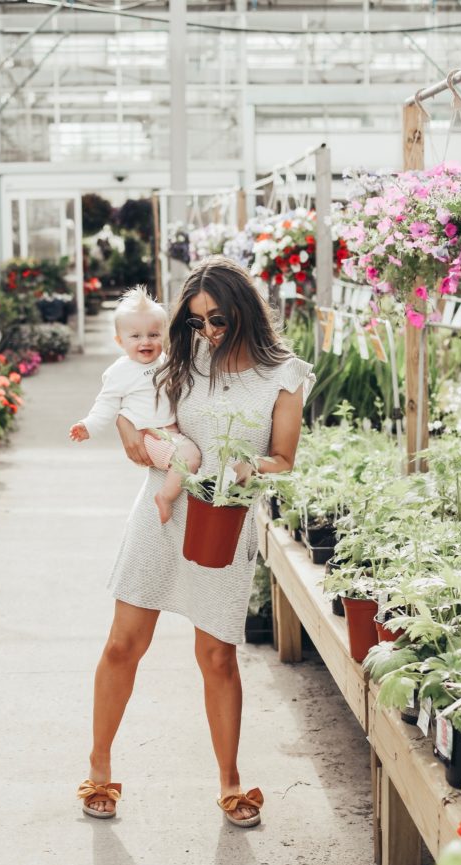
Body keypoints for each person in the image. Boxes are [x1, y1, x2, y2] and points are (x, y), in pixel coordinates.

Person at [77, 256, 314, 827]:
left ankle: (231, 783)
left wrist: (246, 466)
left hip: (223, 520)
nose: (207, 331)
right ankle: (100, 770)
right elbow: (127, 392)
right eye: (196, 320)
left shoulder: (284, 373)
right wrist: (130, 431)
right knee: (122, 645)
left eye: (219, 320)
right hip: (161, 513)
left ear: (245, 314)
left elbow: (283, 459)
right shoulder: (181, 357)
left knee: (217, 656)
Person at [69, 286, 202, 524]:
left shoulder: (166, 362)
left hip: (169, 431)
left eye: (153, 334)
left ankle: (170, 492)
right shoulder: (120, 372)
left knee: (188, 455)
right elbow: (106, 404)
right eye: (136, 336)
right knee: (189, 457)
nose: (146, 342)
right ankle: (165, 497)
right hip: (147, 435)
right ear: (120, 341)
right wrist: (88, 425)